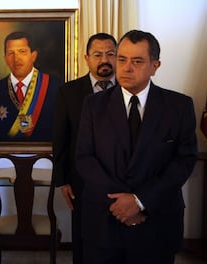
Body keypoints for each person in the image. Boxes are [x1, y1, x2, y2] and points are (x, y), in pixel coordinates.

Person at [76, 29, 198, 264]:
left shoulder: (179, 106)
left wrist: (140, 201)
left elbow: (184, 161)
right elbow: (84, 158)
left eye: (137, 61)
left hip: (156, 223)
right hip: (105, 223)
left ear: (155, 66)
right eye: (121, 59)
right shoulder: (93, 105)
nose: (126, 67)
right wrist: (120, 203)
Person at [52, 32, 117, 264]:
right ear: (86, 58)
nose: (104, 60)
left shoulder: (130, 90)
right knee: (85, 239)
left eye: (110, 54)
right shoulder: (68, 92)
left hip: (121, 179)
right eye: (98, 54)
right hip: (82, 181)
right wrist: (62, 180)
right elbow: (60, 139)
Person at [0, 31, 63, 142]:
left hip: (48, 158)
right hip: (2, 158)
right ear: (5, 59)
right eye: (10, 53)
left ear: (33, 55)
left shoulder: (56, 87)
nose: (16, 58)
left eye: (22, 52)